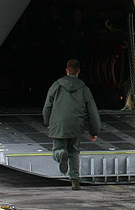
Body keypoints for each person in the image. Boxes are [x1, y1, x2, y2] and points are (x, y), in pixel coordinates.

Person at [42, 59, 101, 191]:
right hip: (76, 125)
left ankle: (61, 154)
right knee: (74, 152)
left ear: (67, 71)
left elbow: (47, 106)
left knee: (57, 149)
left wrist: (47, 122)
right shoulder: (84, 89)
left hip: (58, 124)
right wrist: (94, 131)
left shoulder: (56, 86)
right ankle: (75, 180)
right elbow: (92, 111)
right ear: (78, 71)